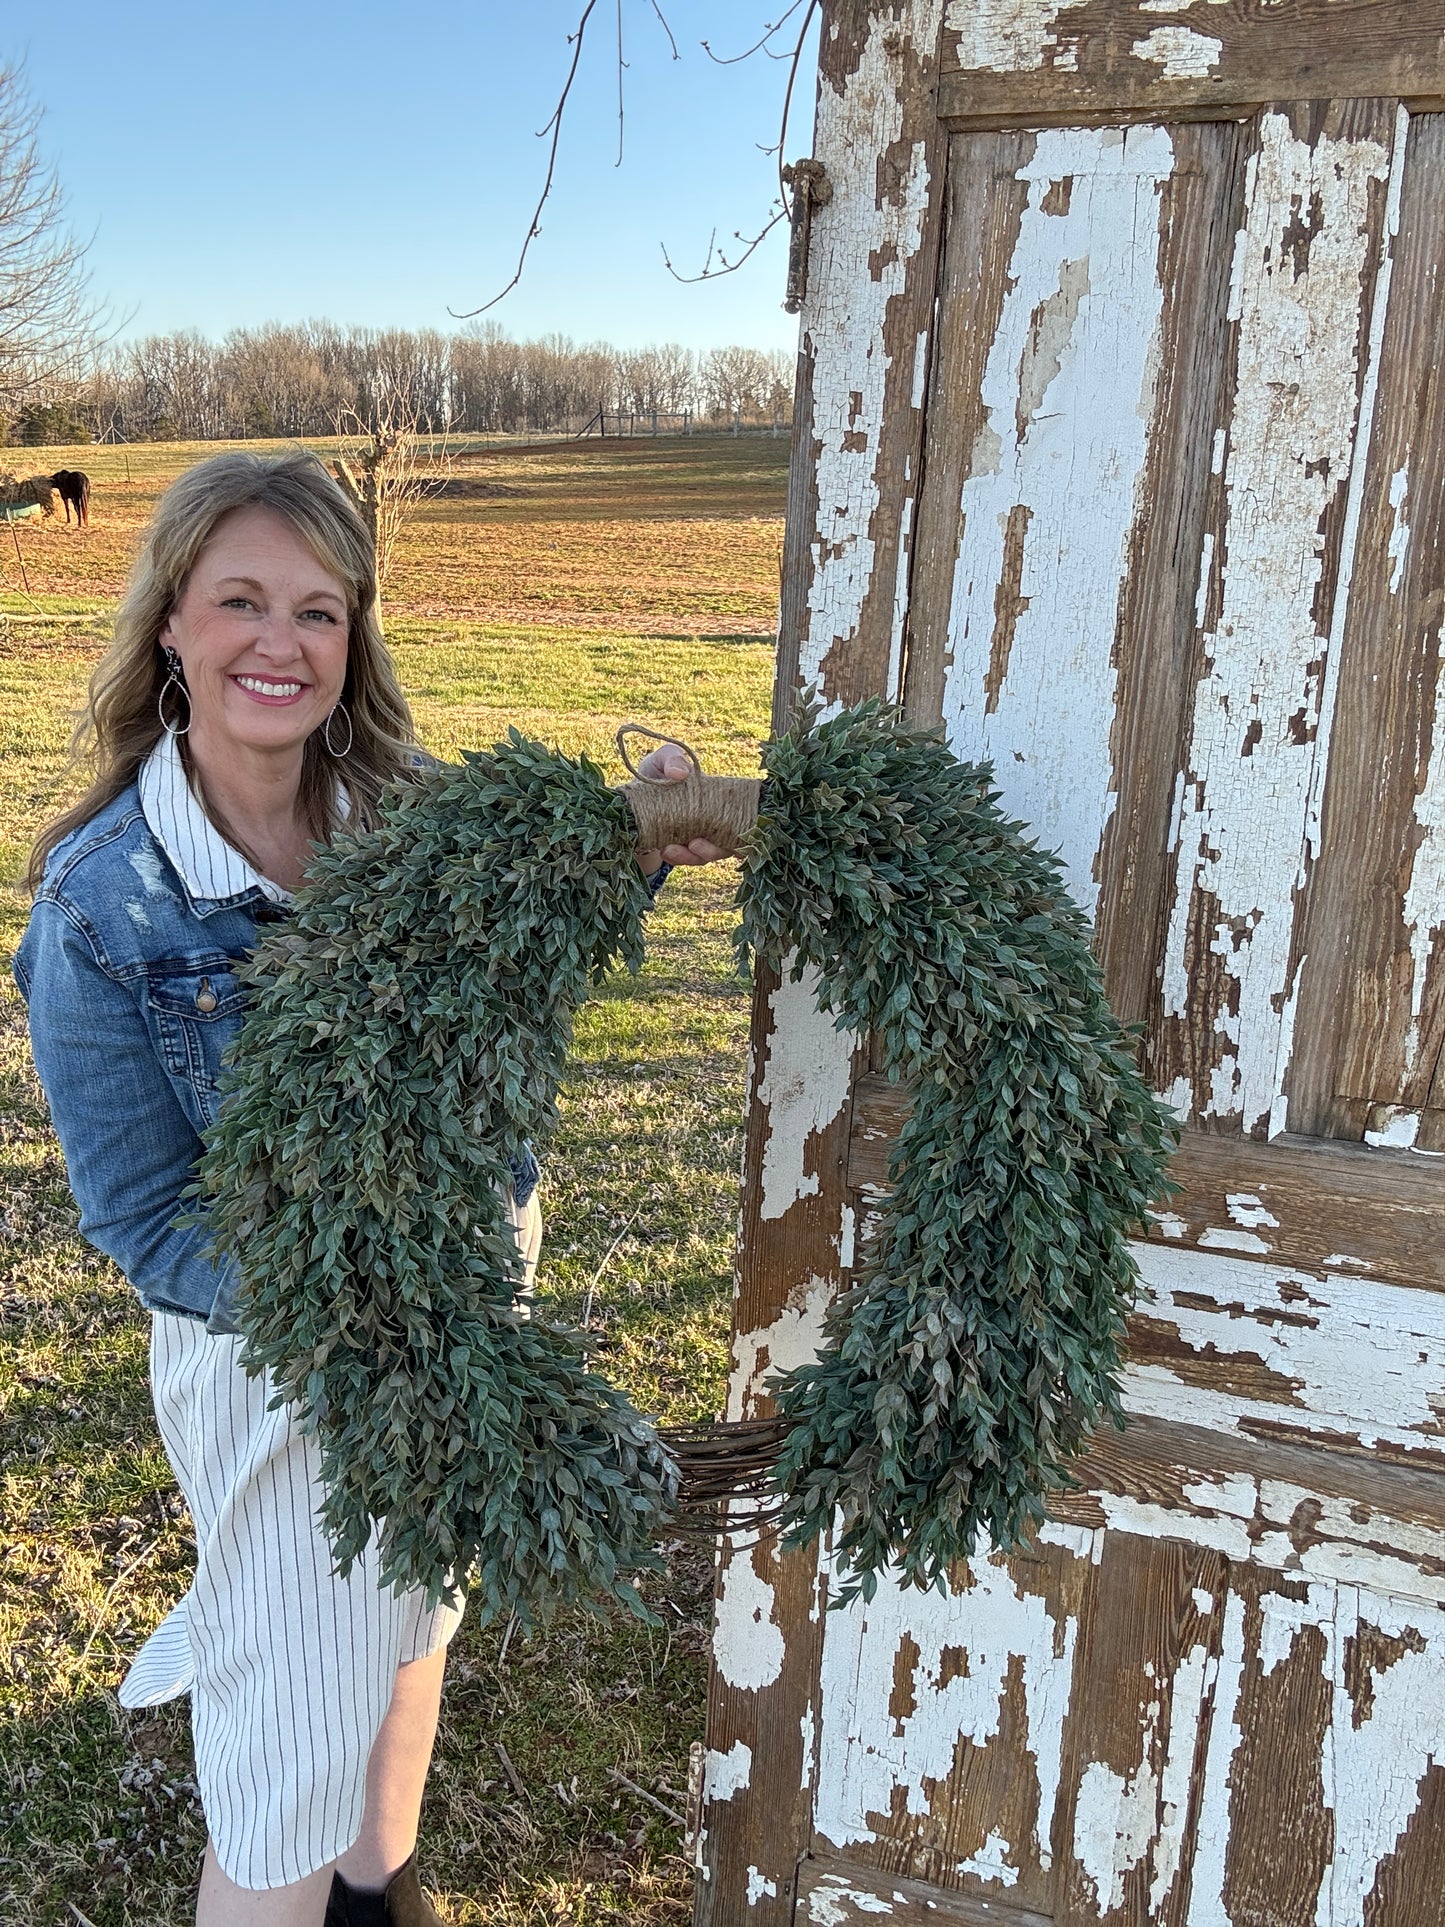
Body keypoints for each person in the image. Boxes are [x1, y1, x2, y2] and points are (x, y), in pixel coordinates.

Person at [14, 449, 721, 1927]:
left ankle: (382, 1890)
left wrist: (644, 836)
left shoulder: (412, 819)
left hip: (477, 1288)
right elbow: (146, 1219)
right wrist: (367, 1299)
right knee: (284, 1745)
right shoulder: (103, 899)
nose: (281, 643)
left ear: (355, 640)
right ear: (171, 628)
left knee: (413, 1620)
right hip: (290, 1365)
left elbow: (524, 942)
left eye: (319, 612)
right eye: (242, 602)